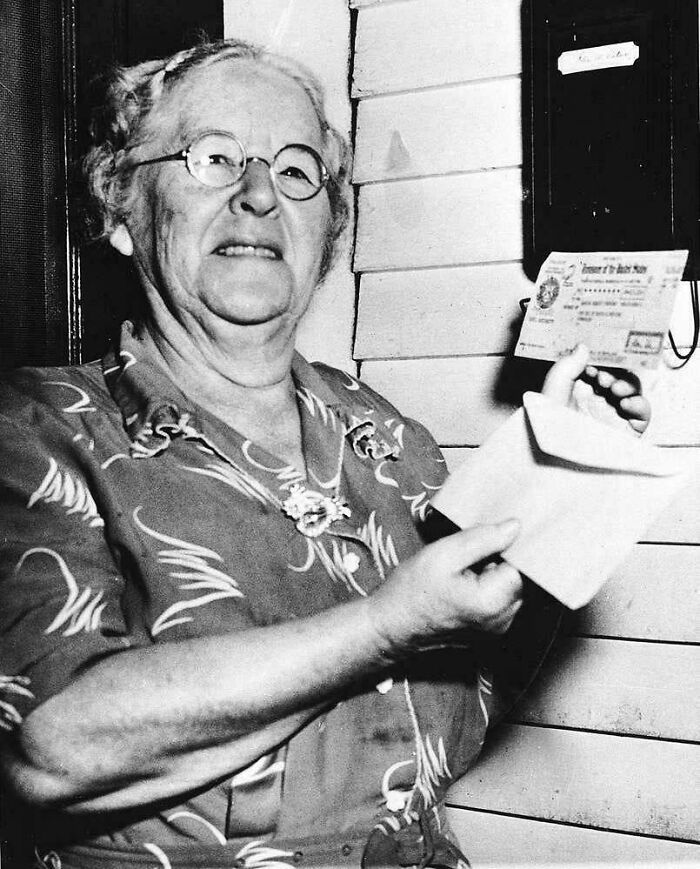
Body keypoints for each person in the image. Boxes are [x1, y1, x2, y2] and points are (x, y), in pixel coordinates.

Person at [0, 39, 650, 869]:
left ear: (327, 228)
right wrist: (384, 628)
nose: (259, 195)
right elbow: (48, 748)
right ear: (122, 209)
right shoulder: (39, 428)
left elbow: (463, 711)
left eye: (298, 170)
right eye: (213, 158)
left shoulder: (386, 436)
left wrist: (557, 480)